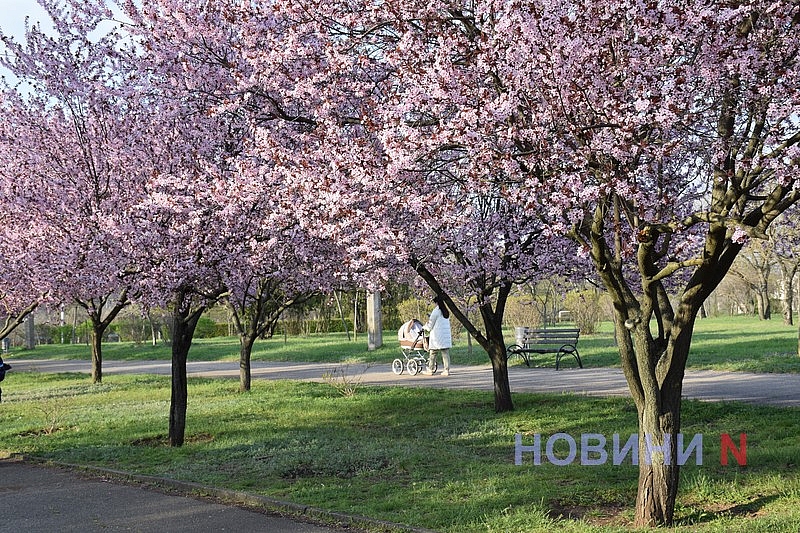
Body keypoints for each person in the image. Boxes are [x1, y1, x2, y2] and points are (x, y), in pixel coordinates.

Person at [422, 294, 452, 376]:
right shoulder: (445, 311)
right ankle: (446, 370)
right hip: (445, 336)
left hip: (437, 336)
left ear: (436, 303)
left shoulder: (436, 311)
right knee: (445, 353)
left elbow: (430, 325)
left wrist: (424, 326)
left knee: (433, 353)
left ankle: (430, 369)